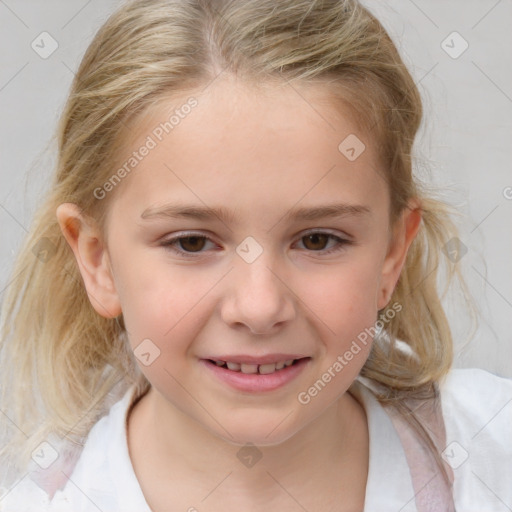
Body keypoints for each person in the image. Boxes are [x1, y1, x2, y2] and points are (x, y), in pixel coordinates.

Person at [0, 0, 510, 510]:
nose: (260, 307)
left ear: (392, 253)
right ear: (97, 260)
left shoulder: (492, 455)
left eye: (317, 240)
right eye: (192, 242)